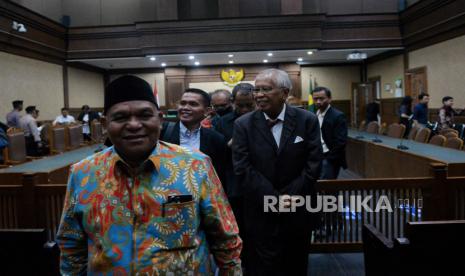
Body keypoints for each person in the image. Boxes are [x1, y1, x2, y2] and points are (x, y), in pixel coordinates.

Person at [56, 75, 242, 275]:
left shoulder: (195, 165)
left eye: (145, 115)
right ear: (104, 123)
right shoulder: (83, 173)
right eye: (120, 118)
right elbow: (71, 246)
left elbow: (226, 239)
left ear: (160, 120)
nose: (134, 125)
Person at [232, 69, 322, 275]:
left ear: (284, 92)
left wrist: (289, 197)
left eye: (266, 89)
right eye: (257, 90)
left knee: (296, 264)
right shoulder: (242, 124)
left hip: (298, 207)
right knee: (261, 266)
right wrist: (274, 198)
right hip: (260, 209)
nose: (259, 95)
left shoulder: (306, 119)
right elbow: (242, 168)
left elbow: (314, 164)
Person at [161, 88, 227, 182]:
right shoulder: (162, 131)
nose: (185, 108)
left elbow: (219, 175)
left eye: (193, 104)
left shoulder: (216, 139)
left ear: (207, 111)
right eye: (183, 103)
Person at [312, 87, 348, 179]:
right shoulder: (314, 115)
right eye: (315, 99)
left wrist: (330, 158)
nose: (318, 101)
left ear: (329, 99)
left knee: (327, 186)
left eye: (322, 98)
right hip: (316, 156)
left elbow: (341, 142)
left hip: (329, 157)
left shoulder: (338, 116)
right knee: (316, 184)